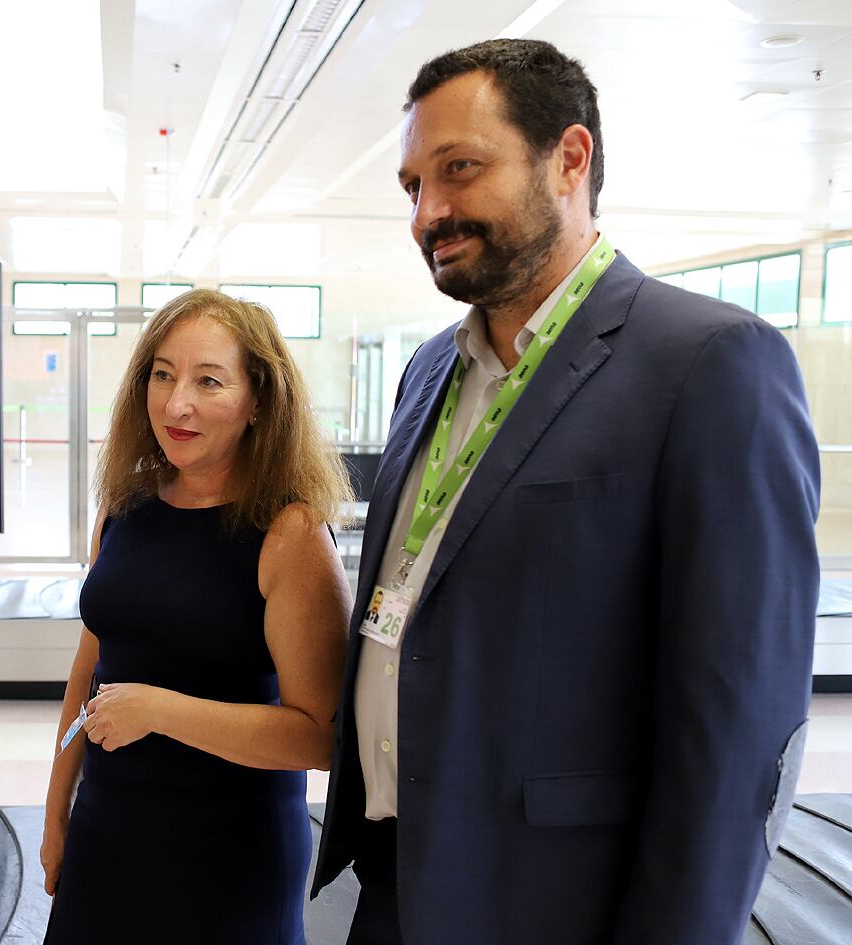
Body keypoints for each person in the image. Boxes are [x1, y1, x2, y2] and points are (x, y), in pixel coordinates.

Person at [311, 39, 820, 945]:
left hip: (562, 902)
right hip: (396, 887)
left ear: (569, 159)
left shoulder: (709, 365)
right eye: (412, 186)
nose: (430, 211)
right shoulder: (430, 370)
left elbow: (738, 730)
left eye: (460, 169)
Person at [41, 289, 353, 945]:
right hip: (108, 832)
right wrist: (55, 809)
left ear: (258, 400)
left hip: (228, 858)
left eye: (208, 380)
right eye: (162, 373)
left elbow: (320, 736)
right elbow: (90, 664)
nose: (176, 403)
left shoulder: (289, 534)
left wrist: (158, 710)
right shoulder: (123, 506)